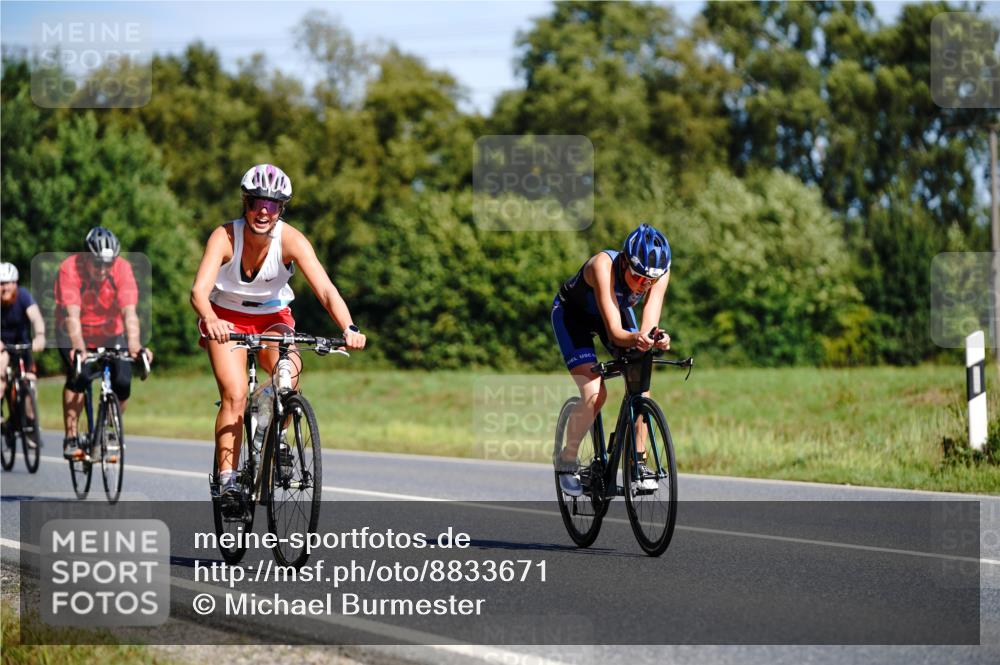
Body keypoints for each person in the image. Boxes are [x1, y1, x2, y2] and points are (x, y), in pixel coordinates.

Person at [190, 164, 366, 509]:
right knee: (235, 393)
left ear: (281, 209)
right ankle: (227, 481)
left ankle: (272, 426)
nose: (264, 211)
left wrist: (349, 327)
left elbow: (326, 290)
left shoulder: (292, 239)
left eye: (273, 205)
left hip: (273, 316)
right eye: (257, 202)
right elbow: (199, 291)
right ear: (246, 202)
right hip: (226, 318)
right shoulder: (225, 237)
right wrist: (210, 318)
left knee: (288, 377)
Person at [550, 223, 672, 496]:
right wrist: (637, 339)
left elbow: (648, 326)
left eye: (649, 281)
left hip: (615, 314)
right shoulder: (602, 266)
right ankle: (567, 460)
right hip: (573, 318)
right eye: (638, 277)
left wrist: (657, 338)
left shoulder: (659, 274)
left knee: (641, 386)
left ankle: (637, 464)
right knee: (595, 393)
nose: (643, 285)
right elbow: (617, 333)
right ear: (625, 262)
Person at [54, 227, 149, 459]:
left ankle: (107, 431)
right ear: (86, 257)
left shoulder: (122, 269)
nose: (103, 269)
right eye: (97, 263)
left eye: (108, 263)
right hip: (73, 330)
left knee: (123, 381)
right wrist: (79, 347)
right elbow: (71, 315)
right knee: (80, 376)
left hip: (110, 332)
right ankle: (71, 436)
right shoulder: (70, 268)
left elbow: (129, 314)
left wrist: (135, 345)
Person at [1, 262, 46, 431]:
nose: (5, 288)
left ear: (15, 283)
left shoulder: (23, 296)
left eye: (8, 283)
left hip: (22, 346)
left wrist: (40, 336)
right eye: (1, 284)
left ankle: (30, 422)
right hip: (3, 347)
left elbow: (36, 318)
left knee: (30, 382)